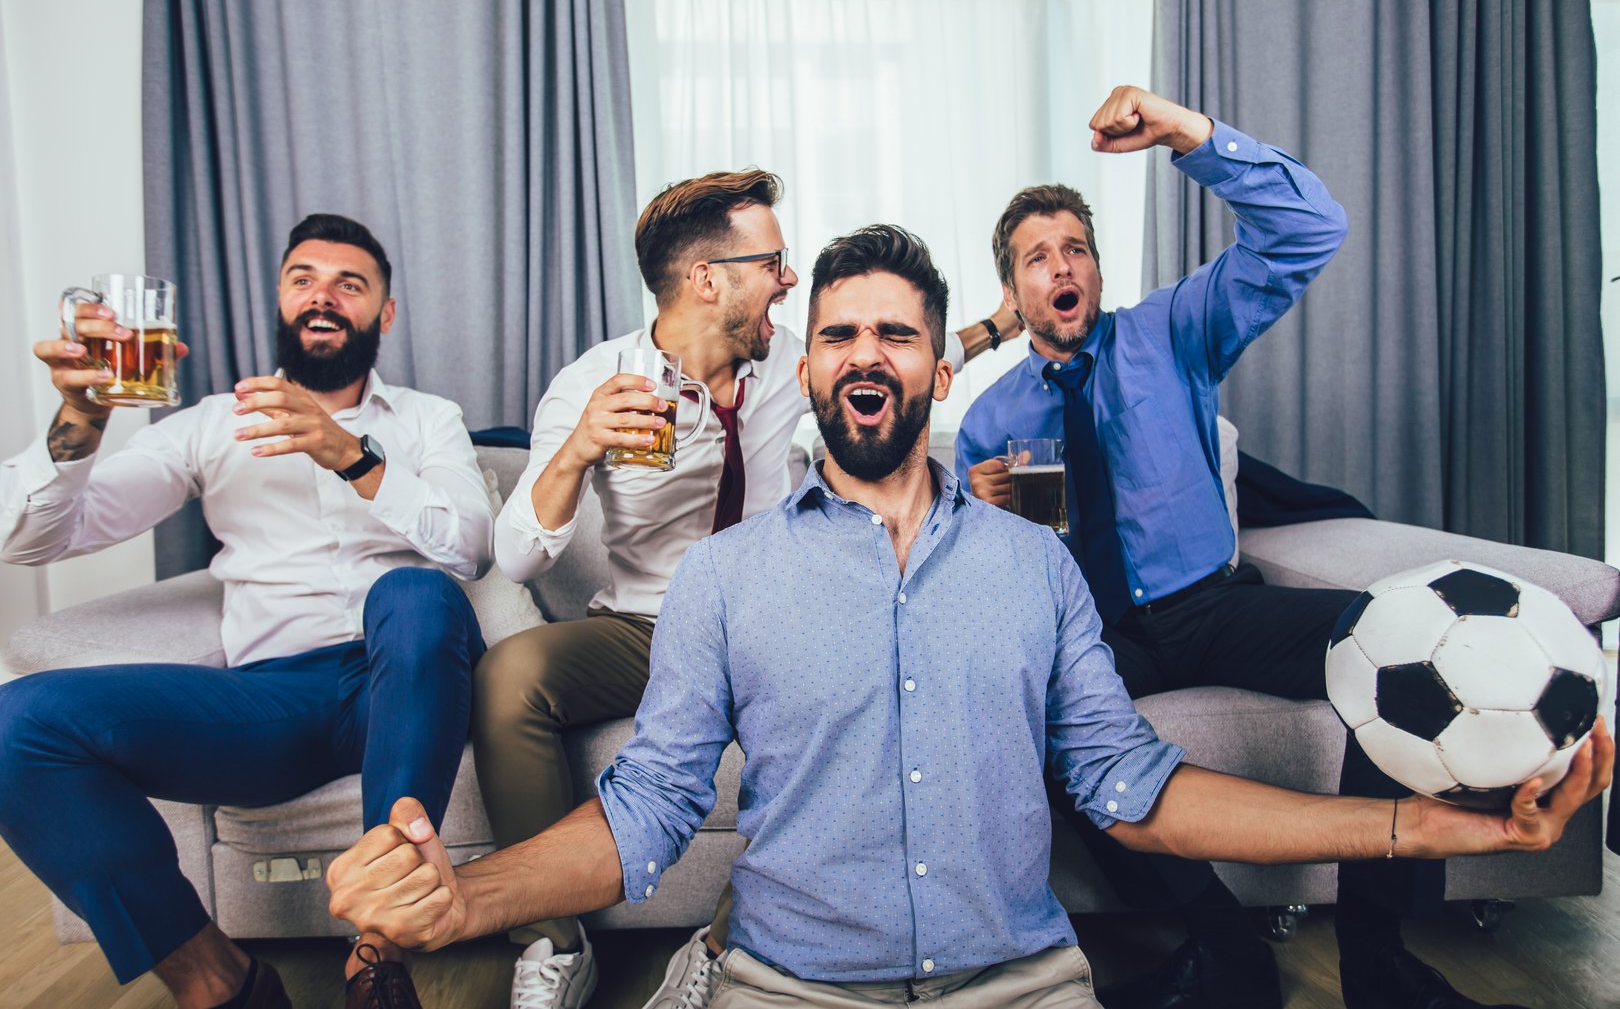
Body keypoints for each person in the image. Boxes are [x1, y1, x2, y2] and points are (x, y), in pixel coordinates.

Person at [326, 223, 1611, 1009]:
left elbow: (1136, 790)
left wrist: (1422, 826)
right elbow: (646, 813)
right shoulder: (725, 579)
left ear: (939, 369)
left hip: (1025, 985)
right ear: (807, 368)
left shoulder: (1035, 570)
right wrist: (463, 901)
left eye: (895, 334)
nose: (864, 354)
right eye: (838, 335)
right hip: (787, 987)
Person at [955, 86, 1519, 1009]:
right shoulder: (991, 418)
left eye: (1076, 248)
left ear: (1096, 269)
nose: (1061, 265)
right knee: (1017, 714)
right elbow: (997, 574)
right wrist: (982, 517)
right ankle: (1223, 947)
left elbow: (1308, 231)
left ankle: (1376, 958)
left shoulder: (1171, 332)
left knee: (1401, 639)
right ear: (1014, 292)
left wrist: (1189, 134)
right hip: (1098, 634)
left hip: (1214, 606)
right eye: (1037, 257)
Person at [473, 171, 1021, 1008]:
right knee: (510, 676)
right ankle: (554, 942)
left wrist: (1003, 324)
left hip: (776, 624)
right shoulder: (598, 381)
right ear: (707, 279)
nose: (790, 279)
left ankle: (724, 945)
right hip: (644, 625)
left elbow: (901, 358)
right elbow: (516, 557)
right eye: (773, 263)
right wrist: (580, 448)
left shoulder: (788, 363)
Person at [0, 214, 493, 1009]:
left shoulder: (428, 418)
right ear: (281, 299)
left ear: (385, 313)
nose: (323, 296)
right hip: (274, 700)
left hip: (409, 676)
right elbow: (32, 538)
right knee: (17, 724)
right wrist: (81, 420)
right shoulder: (210, 424)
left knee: (412, 591)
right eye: (304, 279)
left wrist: (349, 455)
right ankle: (219, 982)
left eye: (350, 284)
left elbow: (470, 547)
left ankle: (378, 953)